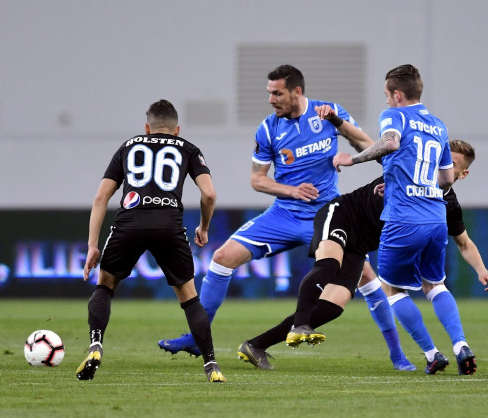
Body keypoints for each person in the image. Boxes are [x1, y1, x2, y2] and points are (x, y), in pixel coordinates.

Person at [158, 64, 374, 356]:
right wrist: (291, 190)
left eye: (277, 93)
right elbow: (257, 180)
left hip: (327, 214)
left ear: (296, 92)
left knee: (366, 277)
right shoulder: (268, 128)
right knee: (221, 258)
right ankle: (199, 336)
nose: (270, 99)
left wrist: (337, 122)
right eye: (269, 93)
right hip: (284, 214)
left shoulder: (328, 112)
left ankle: (400, 356)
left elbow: (367, 144)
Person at [238, 140, 486, 375]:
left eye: (451, 164)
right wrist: (345, 138)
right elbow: (375, 146)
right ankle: (301, 324)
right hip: (341, 217)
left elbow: (464, 242)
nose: (442, 166)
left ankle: (256, 345)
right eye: (442, 159)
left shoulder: (446, 204)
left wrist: (482, 270)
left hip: (360, 245)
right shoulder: (408, 170)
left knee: (332, 308)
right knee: (329, 265)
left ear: (462, 174)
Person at [332, 64, 473, 375]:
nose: (385, 101)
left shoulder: (394, 116)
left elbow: (391, 142)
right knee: (435, 284)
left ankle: (432, 353)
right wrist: (407, 181)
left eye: (386, 95)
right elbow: (447, 177)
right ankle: (461, 344)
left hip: (404, 219)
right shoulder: (438, 125)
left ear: (397, 94)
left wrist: (352, 159)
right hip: (436, 217)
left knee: (393, 289)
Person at [76, 99, 225, 382]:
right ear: (177, 129)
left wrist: (92, 245)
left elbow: (100, 197)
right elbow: (209, 195)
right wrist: (204, 227)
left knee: (105, 285)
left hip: (129, 221)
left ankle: (96, 344)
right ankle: (212, 366)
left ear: (147, 128)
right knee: (190, 298)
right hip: (169, 224)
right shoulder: (189, 149)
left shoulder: (128, 147)